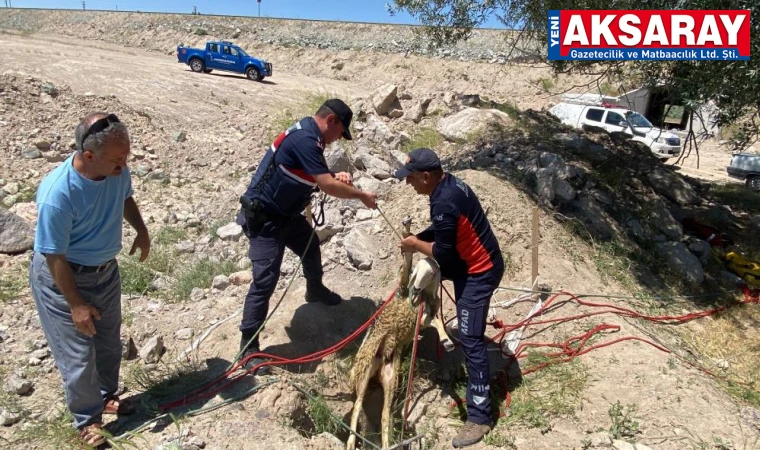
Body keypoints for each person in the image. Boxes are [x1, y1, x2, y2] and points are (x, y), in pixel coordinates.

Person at [29, 112, 150, 447]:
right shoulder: (58, 195)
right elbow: (54, 256)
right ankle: (87, 421)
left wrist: (140, 230)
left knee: (109, 341)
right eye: (117, 159)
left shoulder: (115, 172)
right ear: (88, 156)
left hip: (104, 271)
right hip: (64, 278)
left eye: (126, 156)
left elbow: (125, 197)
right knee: (78, 353)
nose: (124, 165)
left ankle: (106, 395)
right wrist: (76, 304)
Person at [236, 98, 378, 371]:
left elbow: (314, 173)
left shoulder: (311, 137)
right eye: (340, 133)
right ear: (332, 121)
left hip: (286, 215)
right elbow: (325, 184)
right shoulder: (306, 138)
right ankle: (247, 347)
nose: (338, 140)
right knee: (265, 280)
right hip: (265, 219)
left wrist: (335, 174)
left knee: (311, 246)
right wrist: (361, 196)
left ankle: (315, 290)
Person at [394, 147, 504, 448]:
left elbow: (444, 251)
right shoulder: (448, 185)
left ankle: (480, 416)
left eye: (411, 178)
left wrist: (417, 243)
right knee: (468, 332)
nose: (408, 184)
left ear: (426, 175)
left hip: (479, 272)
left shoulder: (444, 200)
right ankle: (472, 380)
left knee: (470, 338)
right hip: (470, 267)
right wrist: (421, 237)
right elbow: (445, 232)